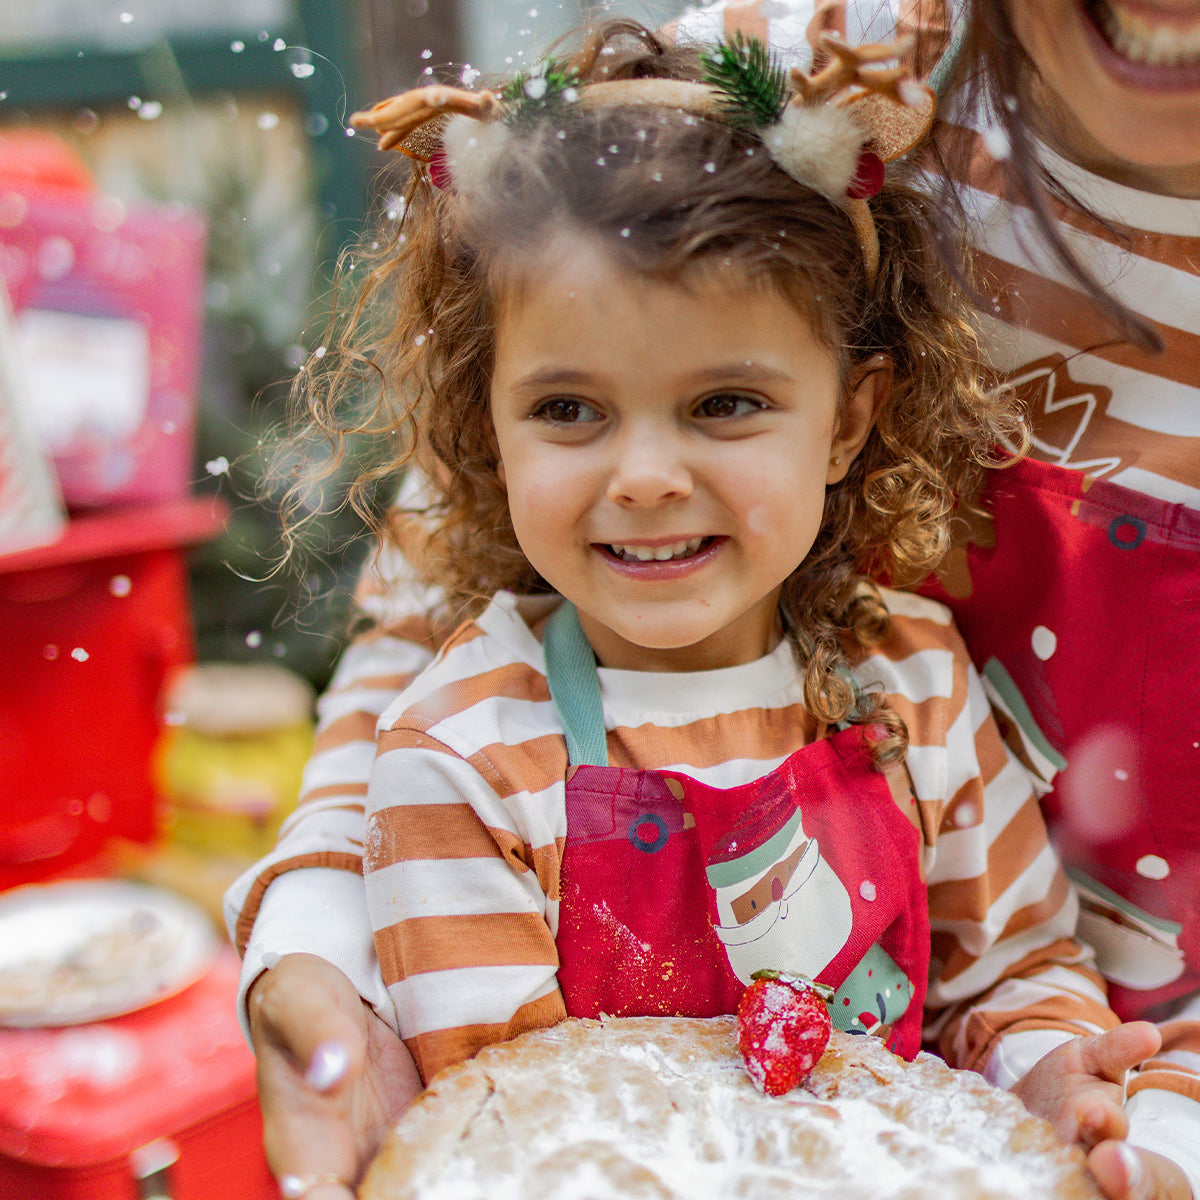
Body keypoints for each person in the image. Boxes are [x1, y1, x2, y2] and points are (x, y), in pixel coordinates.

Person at [224, 18, 1167, 1199]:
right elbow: (517, 1127)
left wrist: (1045, 1080)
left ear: (849, 419)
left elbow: (1011, 974)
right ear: (489, 430)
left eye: (724, 402)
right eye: (569, 410)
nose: (646, 476)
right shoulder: (462, 757)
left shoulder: (914, 681)